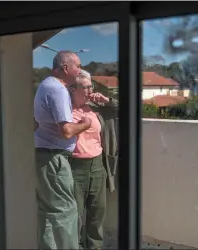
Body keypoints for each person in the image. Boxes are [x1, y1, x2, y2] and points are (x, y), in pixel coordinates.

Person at [34, 51, 91, 250]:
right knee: (66, 211)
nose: (80, 70)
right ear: (66, 68)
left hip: (42, 156)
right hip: (54, 158)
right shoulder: (57, 90)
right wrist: (85, 124)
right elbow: (66, 131)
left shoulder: (44, 85)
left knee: (47, 212)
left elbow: (39, 123)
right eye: (78, 66)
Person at [68, 70, 119, 249]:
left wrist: (107, 101)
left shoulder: (97, 108)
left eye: (91, 86)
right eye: (86, 86)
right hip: (74, 167)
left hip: (98, 166)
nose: (90, 90)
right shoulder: (64, 108)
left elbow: (127, 110)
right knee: (75, 216)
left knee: (97, 214)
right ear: (73, 88)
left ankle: (94, 247)